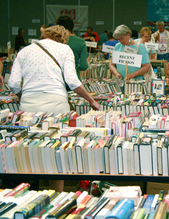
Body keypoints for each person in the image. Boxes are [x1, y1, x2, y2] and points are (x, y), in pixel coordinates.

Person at [8, 26, 100, 192]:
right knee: (57, 151)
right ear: (63, 38)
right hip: (57, 105)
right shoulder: (65, 49)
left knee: (31, 149)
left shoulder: (24, 51)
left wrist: (26, 95)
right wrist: (91, 100)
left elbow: (13, 83)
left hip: (28, 106)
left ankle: (28, 194)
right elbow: (72, 80)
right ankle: (57, 195)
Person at [56, 15, 88, 80]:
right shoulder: (81, 42)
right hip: (74, 78)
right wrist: (75, 67)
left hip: (57, 78)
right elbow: (83, 66)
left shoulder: (55, 41)